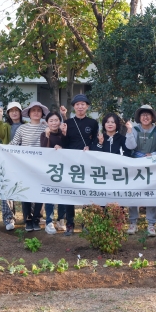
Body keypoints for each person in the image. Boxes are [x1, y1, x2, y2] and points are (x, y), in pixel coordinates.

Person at [60, 94, 99, 236]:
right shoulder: (68, 122)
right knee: (71, 192)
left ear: (87, 106)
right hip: (71, 162)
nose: (80, 107)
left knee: (86, 192)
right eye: (77, 104)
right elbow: (64, 144)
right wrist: (63, 134)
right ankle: (70, 223)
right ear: (74, 107)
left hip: (87, 162)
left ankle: (86, 222)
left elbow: (95, 141)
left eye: (83, 104)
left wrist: (90, 147)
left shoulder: (93, 123)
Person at [125, 105, 156, 236]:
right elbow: (130, 146)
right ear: (139, 118)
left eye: (148, 114)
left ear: (152, 117)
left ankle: (151, 224)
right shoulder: (134, 129)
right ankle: (133, 222)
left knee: (151, 194)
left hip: (152, 166)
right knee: (133, 193)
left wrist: (153, 155)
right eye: (143, 115)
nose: (145, 117)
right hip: (135, 165)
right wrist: (129, 132)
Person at [9, 102, 49, 232]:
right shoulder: (22, 128)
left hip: (41, 165)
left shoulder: (46, 127)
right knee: (25, 192)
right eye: (33, 111)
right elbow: (14, 143)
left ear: (42, 114)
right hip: (25, 165)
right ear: (29, 114)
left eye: (39, 110)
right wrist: (2, 147)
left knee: (39, 193)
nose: (36, 113)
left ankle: (36, 218)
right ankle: (28, 219)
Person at [0, 102, 24, 231]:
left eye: (17, 110)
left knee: (29, 187)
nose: (14, 113)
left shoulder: (26, 125)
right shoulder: (6, 126)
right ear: (8, 114)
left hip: (25, 162)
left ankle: (33, 216)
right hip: (8, 161)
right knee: (7, 189)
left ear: (21, 112)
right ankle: (9, 218)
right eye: (11, 111)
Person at [40, 111, 69, 234]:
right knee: (50, 195)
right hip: (49, 169)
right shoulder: (44, 134)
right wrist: (47, 137)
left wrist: (62, 149)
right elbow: (43, 151)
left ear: (60, 121)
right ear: (47, 122)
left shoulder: (63, 135)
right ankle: (49, 222)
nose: (54, 123)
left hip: (63, 169)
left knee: (62, 195)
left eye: (56, 120)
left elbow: (69, 148)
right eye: (51, 120)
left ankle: (61, 219)